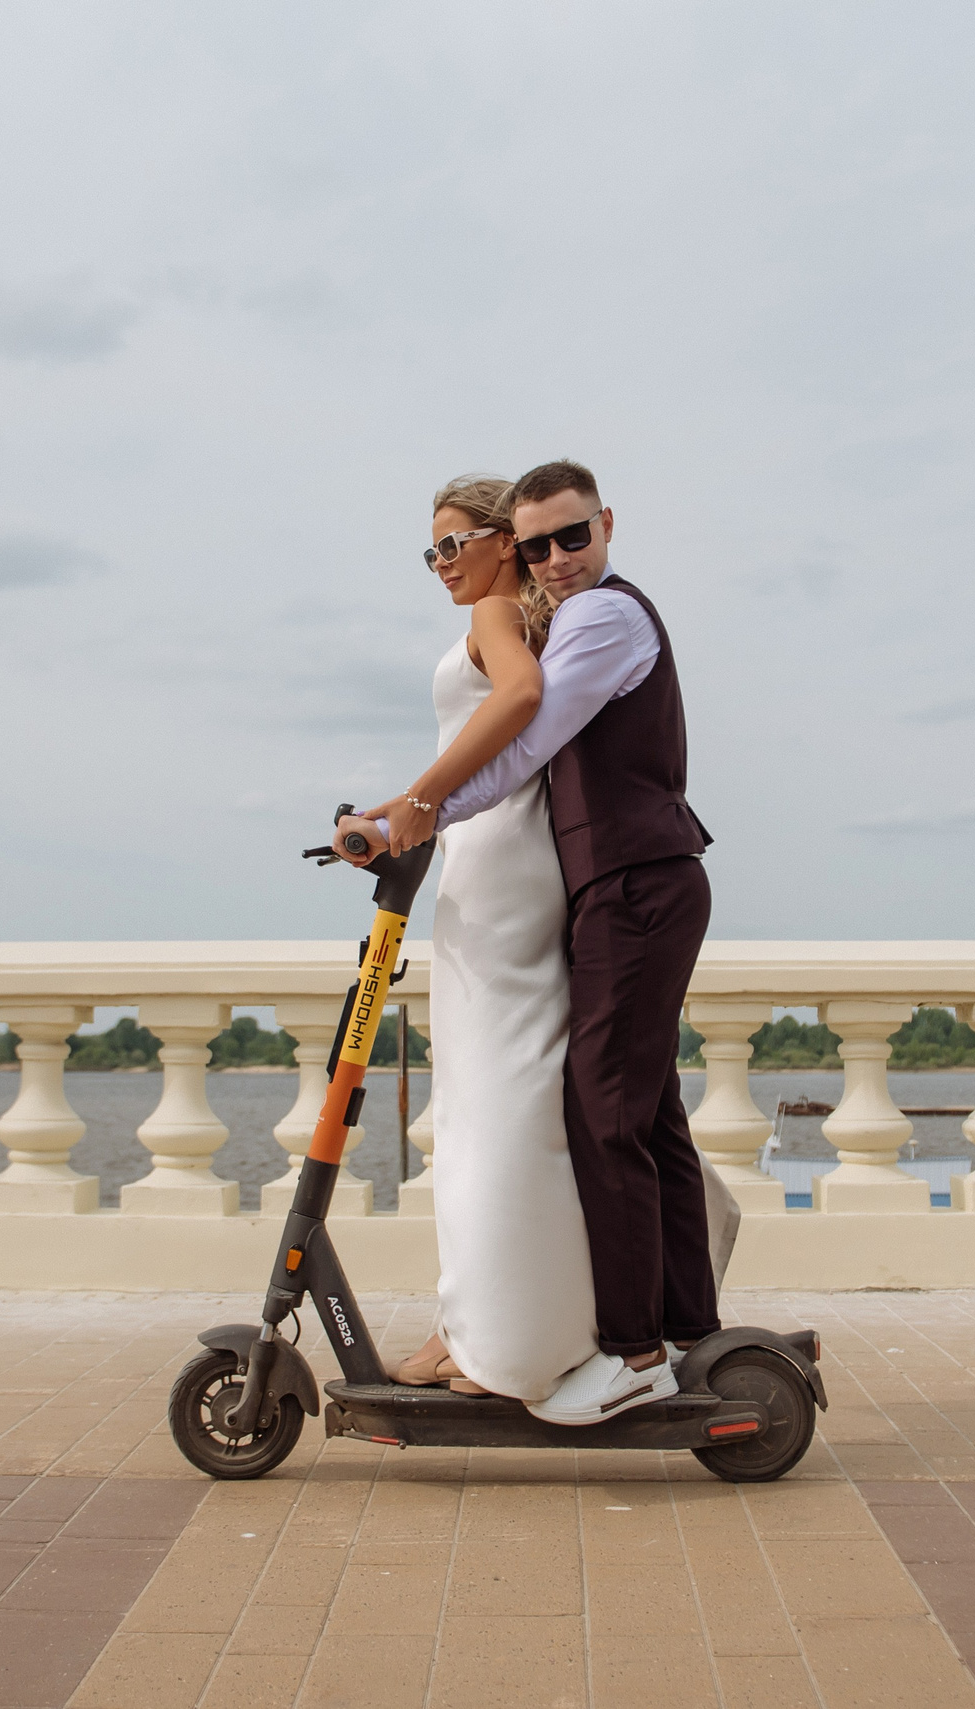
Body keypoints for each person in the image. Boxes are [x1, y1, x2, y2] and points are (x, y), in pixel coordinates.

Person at [348, 458, 718, 1425]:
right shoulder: (559, 615)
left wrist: (416, 806)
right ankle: (673, 1325)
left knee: (593, 1112)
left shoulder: (597, 616)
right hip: (590, 877)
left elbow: (525, 729)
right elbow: (519, 747)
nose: (557, 556)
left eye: (571, 536)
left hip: (617, 878)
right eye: (541, 542)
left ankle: (633, 1352)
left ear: (606, 524)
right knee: (634, 1112)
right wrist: (408, 811)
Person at [366, 475, 601, 1402]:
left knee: (485, 1113)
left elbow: (520, 696)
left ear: (505, 541)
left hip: (497, 869)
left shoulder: (499, 613)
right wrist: (406, 806)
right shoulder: (524, 613)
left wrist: (422, 796)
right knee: (502, 1107)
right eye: (430, 551)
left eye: (452, 544)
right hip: (499, 857)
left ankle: (490, 1338)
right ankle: (488, 1327)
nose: (440, 564)